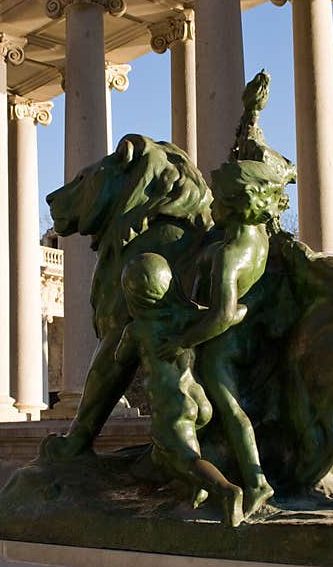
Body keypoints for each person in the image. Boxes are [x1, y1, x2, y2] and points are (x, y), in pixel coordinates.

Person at [156, 159, 290, 519]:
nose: (211, 205)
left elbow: (222, 314)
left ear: (234, 202)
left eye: (218, 199)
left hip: (220, 346)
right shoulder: (258, 239)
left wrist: (183, 340)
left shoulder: (230, 255)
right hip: (244, 339)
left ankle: (255, 480)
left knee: (230, 410)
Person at [115, 252, 245, 527]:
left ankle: (226, 491)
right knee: (161, 455)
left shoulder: (137, 329)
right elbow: (232, 314)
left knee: (184, 458)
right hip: (198, 398)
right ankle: (193, 490)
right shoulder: (187, 315)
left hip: (172, 404)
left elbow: (119, 360)